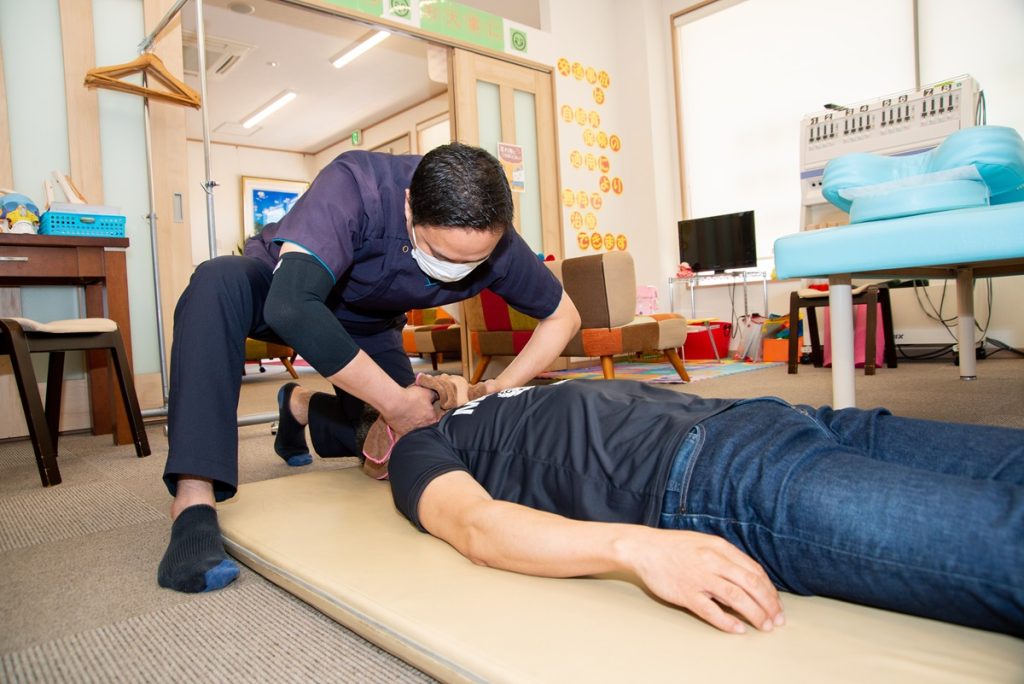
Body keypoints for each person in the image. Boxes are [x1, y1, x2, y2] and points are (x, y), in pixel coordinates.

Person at [157, 143, 581, 594]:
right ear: (407, 207)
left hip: (368, 328)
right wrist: (395, 402)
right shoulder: (356, 184)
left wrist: (499, 386)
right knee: (216, 280)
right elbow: (292, 307)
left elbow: (563, 317)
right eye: (440, 252)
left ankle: (300, 408)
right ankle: (193, 501)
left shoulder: (497, 240)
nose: (454, 270)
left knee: (409, 443)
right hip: (284, 293)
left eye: (471, 262)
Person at [386, 376, 1024, 636]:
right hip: (717, 478)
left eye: (421, 374)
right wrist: (636, 547)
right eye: (402, 386)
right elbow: (478, 527)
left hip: (782, 415)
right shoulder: (422, 448)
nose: (424, 383)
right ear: (382, 434)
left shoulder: (506, 390)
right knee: (1003, 542)